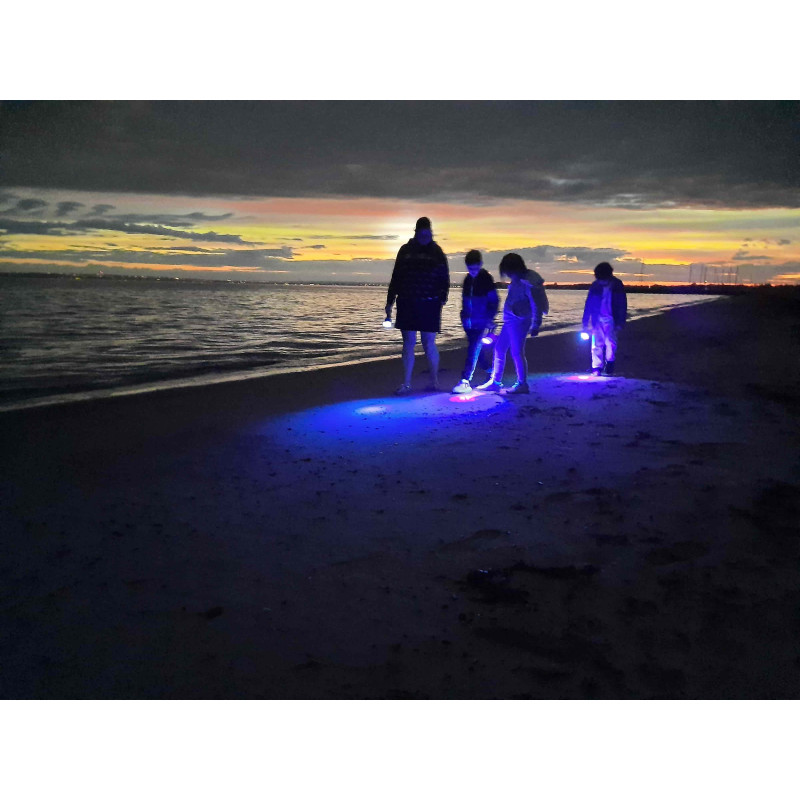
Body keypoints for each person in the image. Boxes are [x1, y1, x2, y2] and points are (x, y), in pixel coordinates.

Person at [385, 217, 450, 394]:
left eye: (427, 234)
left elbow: (444, 278)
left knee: (429, 343)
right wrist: (390, 302)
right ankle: (406, 383)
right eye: (421, 233)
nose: (424, 237)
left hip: (430, 303)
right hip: (407, 302)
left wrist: (442, 297)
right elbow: (396, 277)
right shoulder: (405, 250)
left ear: (430, 233)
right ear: (416, 232)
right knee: (408, 343)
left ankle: (434, 381)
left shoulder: (437, 252)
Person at [477, 253, 548, 395]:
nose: (508, 275)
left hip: (520, 321)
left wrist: (536, 324)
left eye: (509, 271)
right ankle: (495, 381)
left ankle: (522, 383)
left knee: (516, 352)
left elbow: (536, 305)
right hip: (510, 320)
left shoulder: (528, 282)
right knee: (499, 348)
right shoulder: (516, 281)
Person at [452, 250, 499, 394]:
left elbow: (494, 300)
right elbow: (465, 300)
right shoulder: (467, 279)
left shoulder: (486, 279)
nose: (473, 271)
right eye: (470, 268)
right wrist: (464, 316)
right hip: (469, 322)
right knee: (476, 350)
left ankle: (465, 380)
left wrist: (489, 318)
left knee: (473, 348)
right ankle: (490, 371)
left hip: (482, 321)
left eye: (475, 268)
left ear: (480, 264)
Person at [581, 261, 627, 376]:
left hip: (612, 319)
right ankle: (596, 367)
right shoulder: (595, 285)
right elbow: (588, 304)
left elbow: (622, 304)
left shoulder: (617, 285)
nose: (600, 281)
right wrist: (585, 322)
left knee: (611, 342)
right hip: (597, 319)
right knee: (597, 344)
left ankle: (610, 362)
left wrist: (620, 322)